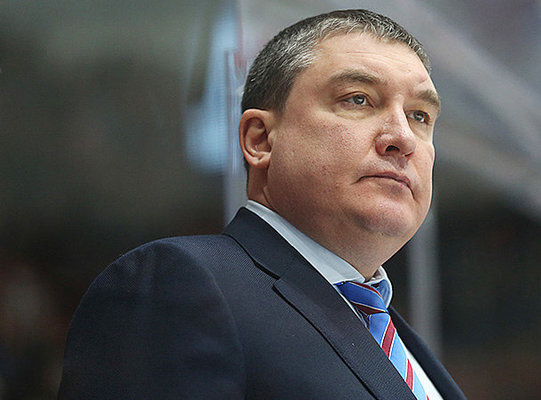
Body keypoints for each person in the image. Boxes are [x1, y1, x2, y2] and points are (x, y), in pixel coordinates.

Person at [57, 8, 465, 400]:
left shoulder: (394, 339)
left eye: (419, 116)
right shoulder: (175, 286)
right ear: (261, 139)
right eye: (358, 99)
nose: (403, 138)